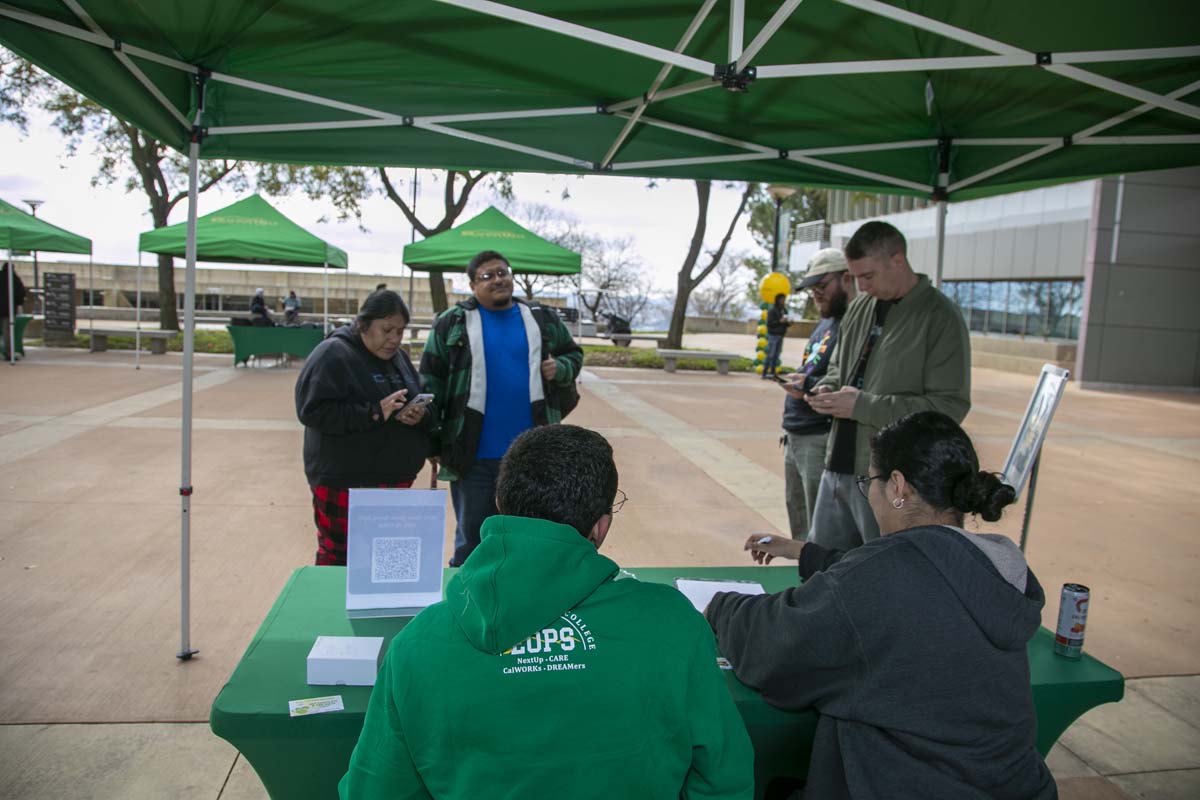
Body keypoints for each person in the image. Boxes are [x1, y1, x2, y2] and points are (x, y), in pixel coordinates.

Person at [339, 424, 754, 800]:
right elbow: (725, 778)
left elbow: (371, 789)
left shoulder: (418, 644)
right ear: (600, 526)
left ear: (500, 503)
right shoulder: (674, 622)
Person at [706, 411, 1056, 800]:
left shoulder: (883, 576)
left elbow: (771, 644)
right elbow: (914, 575)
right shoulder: (994, 566)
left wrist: (720, 607)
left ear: (897, 486)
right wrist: (808, 553)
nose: (868, 493)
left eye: (869, 481)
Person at [804, 221, 970, 550]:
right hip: (836, 466)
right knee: (822, 571)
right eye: (856, 278)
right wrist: (827, 388)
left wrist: (864, 406)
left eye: (868, 276)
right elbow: (840, 366)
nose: (862, 288)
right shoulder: (861, 307)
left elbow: (949, 408)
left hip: (892, 481)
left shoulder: (939, 317)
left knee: (883, 576)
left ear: (898, 260)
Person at [420, 250, 582, 566]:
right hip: (474, 456)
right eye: (487, 276)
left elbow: (573, 355)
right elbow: (430, 382)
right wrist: (432, 439)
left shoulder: (541, 317)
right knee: (473, 541)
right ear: (472, 285)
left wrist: (559, 368)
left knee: (531, 538)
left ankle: (524, 604)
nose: (498, 279)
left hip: (535, 455)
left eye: (503, 272)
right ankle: (465, 605)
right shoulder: (452, 322)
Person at [294, 290, 435, 566]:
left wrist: (419, 415)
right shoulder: (333, 354)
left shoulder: (399, 358)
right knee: (341, 558)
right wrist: (373, 412)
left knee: (383, 561)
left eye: (400, 331)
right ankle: (331, 609)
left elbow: (417, 394)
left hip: (392, 478)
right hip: (346, 481)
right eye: (387, 330)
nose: (394, 339)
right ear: (363, 325)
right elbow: (312, 410)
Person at [777, 248, 855, 539]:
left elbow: (847, 381)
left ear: (846, 279)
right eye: (812, 290)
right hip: (795, 435)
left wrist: (811, 388)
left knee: (820, 532)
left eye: (822, 287)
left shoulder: (853, 324)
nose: (816, 295)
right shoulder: (825, 323)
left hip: (818, 438)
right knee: (800, 525)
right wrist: (802, 381)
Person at [1, 262, 26, 361]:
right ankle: (8, 353)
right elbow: (21, 293)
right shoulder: (15, 279)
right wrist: (18, 303)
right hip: (9, 310)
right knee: (7, 332)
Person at [763, 292, 791, 378]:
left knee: (776, 355)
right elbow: (770, 323)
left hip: (781, 335)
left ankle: (772, 373)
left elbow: (785, 323)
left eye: (784, 299)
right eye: (782, 299)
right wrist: (779, 321)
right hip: (773, 335)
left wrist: (788, 323)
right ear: (778, 300)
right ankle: (764, 373)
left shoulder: (784, 310)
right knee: (771, 354)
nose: (783, 301)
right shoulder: (772, 310)